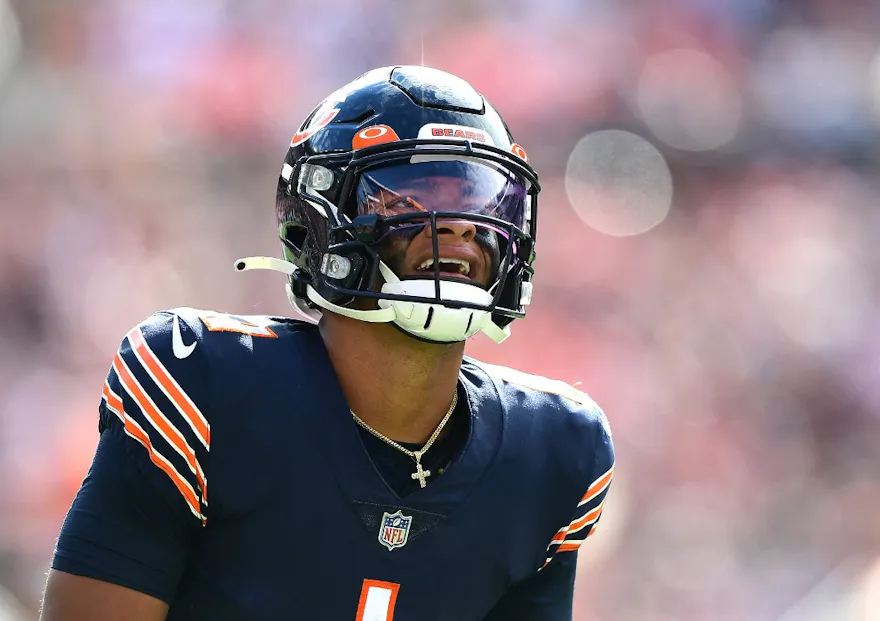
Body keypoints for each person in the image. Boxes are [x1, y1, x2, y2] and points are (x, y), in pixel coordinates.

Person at [41, 65, 615, 621]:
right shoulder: (203, 385)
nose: (462, 225)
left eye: (484, 200)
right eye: (411, 195)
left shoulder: (556, 450)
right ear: (320, 217)